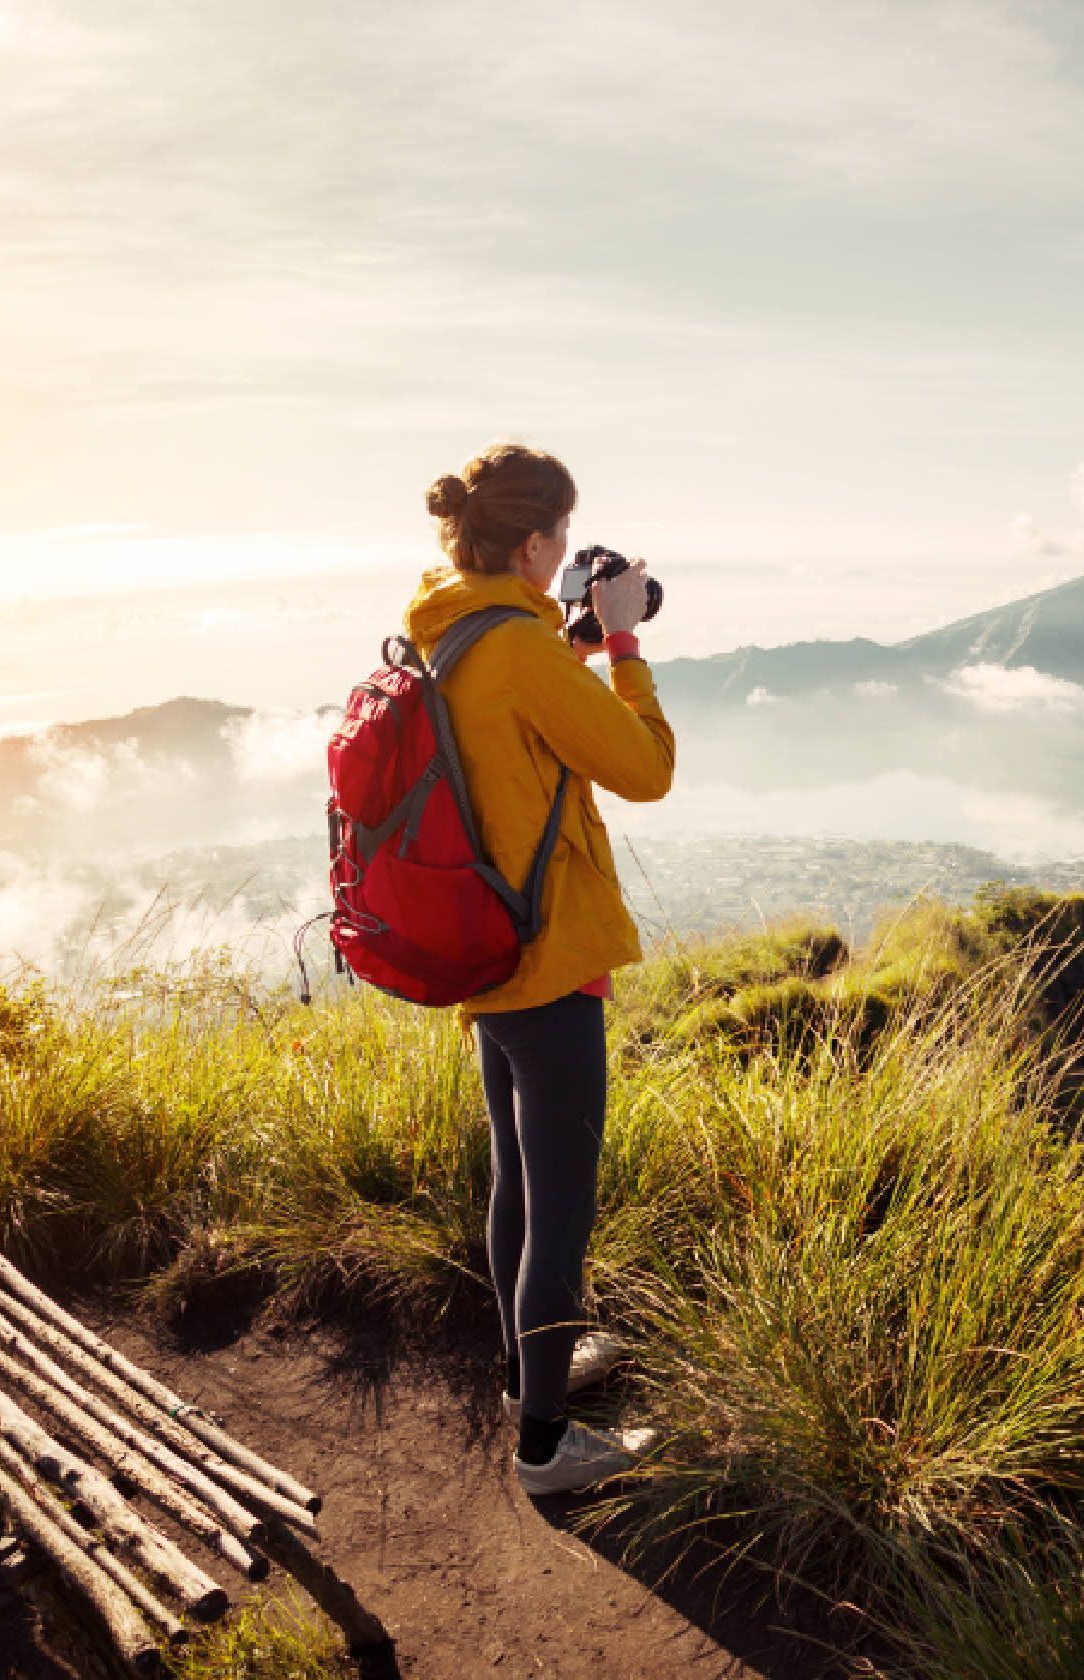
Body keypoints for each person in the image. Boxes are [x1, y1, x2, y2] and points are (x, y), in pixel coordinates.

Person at [408, 441, 676, 1494]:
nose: (569, 551)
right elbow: (645, 771)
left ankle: (529, 1370)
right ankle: (545, 1449)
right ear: (533, 542)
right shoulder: (514, 647)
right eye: (561, 536)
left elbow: (512, 730)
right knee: (560, 1202)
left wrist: (562, 635)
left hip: (488, 948)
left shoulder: (459, 628)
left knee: (517, 1181)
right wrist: (619, 641)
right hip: (548, 952)